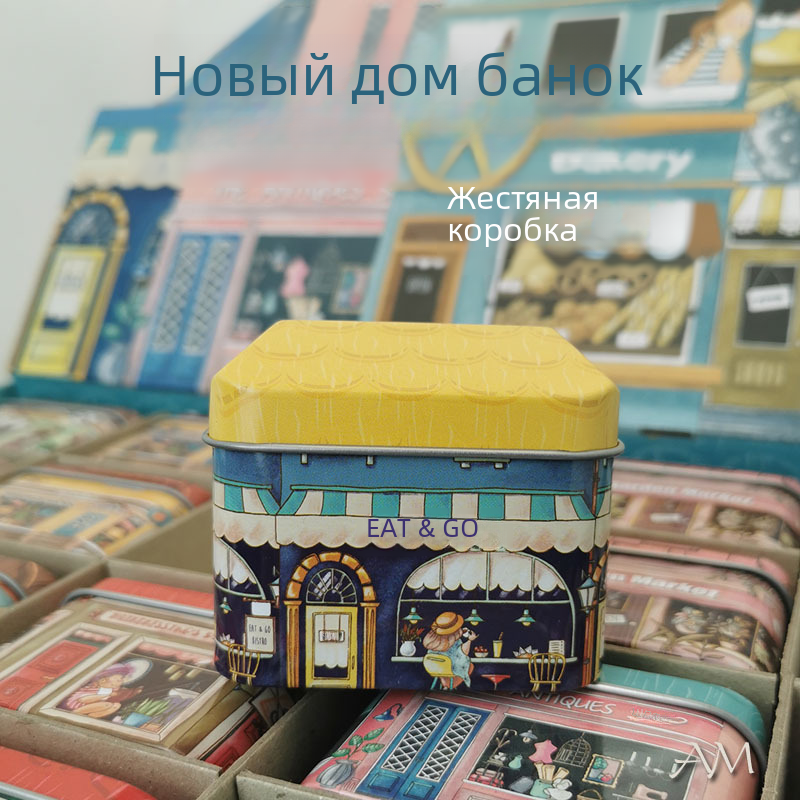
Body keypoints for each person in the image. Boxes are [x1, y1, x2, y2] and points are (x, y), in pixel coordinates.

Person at [659, 0, 755, 88]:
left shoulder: (738, 51)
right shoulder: (694, 42)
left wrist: (730, 47)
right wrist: (702, 50)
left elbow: (731, 81)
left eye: (745, 22)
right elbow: (669, 80)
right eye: (735, 18)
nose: (738, 25)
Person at [422, 612, 477, 689]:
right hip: (448, 668)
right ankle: (448, 686)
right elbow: (463, 653)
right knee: (469, 666)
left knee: (445, 670)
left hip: (433, 667)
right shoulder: (454, 640)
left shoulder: (433, 640)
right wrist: (470, 640)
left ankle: (446, 686)